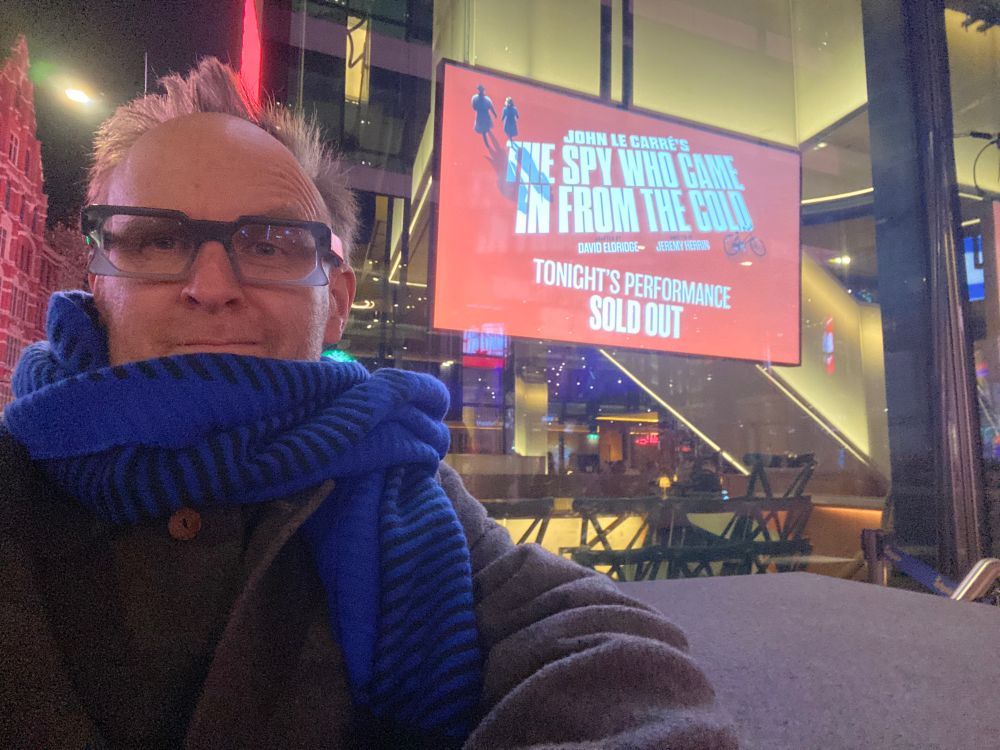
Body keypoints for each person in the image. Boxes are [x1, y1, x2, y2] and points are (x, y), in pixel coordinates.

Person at [0, 58, 738, 749]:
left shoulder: (401, 479)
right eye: (160, 241)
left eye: (269, 244)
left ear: (337, 303)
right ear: (96, 277)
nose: (212, 286)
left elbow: (609, 655)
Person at [471, 83, 497, 147]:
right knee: (484, 130)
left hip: (480, 116)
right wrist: (494, 114)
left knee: (484, 130)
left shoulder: (475, 98)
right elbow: (491, 107)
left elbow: (474, 107)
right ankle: (487, 144)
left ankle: (487, 143)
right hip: (485, 116)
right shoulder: (486, 100)